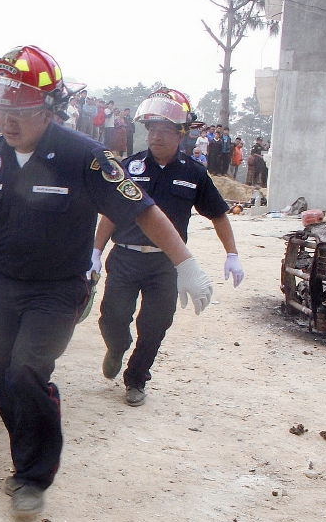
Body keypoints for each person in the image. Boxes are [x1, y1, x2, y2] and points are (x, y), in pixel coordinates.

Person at [0, 46, 214, 519]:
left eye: (20, 113)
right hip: (4, 286)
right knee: (4, 377)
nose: (7, 123)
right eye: (2, 111)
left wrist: (185, 264)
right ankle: (25, 455)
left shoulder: (85, 157)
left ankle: (33, 476)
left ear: (49, 109)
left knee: (28, 369)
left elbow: (142, 209)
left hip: (57, 290)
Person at [92, 88, 242, 408]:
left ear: (181, 134)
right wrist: (95, 251)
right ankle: (117, 346)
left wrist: (232, 254)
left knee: (156, 324)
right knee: (112, 317)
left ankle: (136, 378)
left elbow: (217, 214)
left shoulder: (194, 173)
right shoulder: (129, 167)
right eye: (152, 129)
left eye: (164, 130)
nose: (156, 136)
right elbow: (109, 215)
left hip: (165, 265)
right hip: (125, 258)